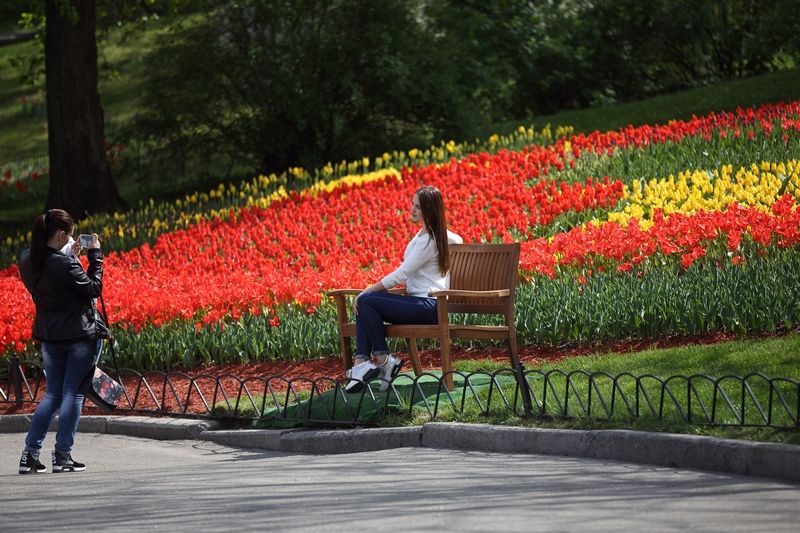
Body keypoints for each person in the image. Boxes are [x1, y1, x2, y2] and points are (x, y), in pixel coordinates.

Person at [346, 185, 463, 393]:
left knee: (365, 300)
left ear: (430, 210)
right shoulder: (429, 236)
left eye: (418, 207)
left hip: (429, 306)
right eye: (413, 204)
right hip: (421, 304)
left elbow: (401, 275)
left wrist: (367, 290)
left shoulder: (429, 241)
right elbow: (458, 240)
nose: (412, 210)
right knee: (366, 305)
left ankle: (381, 361)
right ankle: (361, 363)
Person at [17, 209, 107, 474]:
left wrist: (69, 254)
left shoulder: (27, 260)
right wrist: (95, 257)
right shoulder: (64, 265)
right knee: (73, 395)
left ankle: (30, 454)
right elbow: (93, 288)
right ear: (60, 235)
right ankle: (62, 455)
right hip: (78, 336)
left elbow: (54, 281)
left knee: (52, 395)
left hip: (49, 335)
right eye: (67, 235)